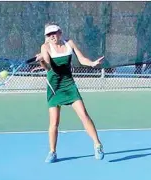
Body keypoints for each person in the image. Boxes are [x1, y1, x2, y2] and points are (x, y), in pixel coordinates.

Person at [36, 22, 105, 163]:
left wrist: (92, 64)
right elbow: (48, 67)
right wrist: (41, 62)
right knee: (54, 122)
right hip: (54, 87)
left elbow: (81, 59)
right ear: (46, 37)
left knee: (84, 115)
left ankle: (97, 145)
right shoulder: (45, 47)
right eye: (49, 34)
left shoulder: (70, 44)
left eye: (54, 33)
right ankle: (52, 152)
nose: (52, 36)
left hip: (69, 84)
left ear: (60, 33)